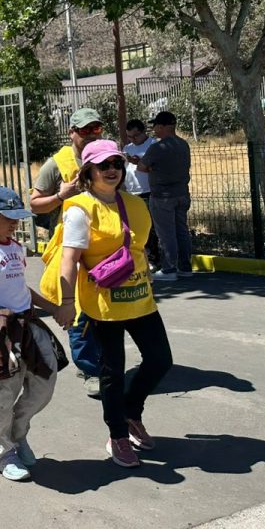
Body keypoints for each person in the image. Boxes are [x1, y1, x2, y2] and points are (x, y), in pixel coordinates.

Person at [54, 140, 173, 468]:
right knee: (112, 371)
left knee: (160, 360)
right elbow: (69, 259)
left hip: (140, 298)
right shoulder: (80, 209)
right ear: (88, 172)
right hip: (103, 303)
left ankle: (131, 413)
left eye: (117, 164)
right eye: (103, 165)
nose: (112, 170)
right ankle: (117, 434)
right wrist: (67, 302)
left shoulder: (135, 204)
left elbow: (139, 248)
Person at [0, 187, 68, 482]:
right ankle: (2, 453)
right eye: (8, 218)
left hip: (28, 325)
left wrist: (53, 308)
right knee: (3, 394)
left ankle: (17, 433)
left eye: (17, 217)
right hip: (0, 332)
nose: (15, 223)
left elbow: (21, 288)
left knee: (44, 383)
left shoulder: (14, 246)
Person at [31, 107, 107, 399]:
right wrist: (61, 195)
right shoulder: (56, 164)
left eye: (96, 129)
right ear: (71, 132)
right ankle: (89, 369)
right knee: (78, 311)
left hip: (102, 246)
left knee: (102, 308)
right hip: (70, 248)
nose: (91, 135)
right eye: (85, 130)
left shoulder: (105, 157)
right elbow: (35, 204)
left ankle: (100, 360)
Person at [138, 111, 193, 282]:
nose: (154, 130)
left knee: (166, 233)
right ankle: (185, 266)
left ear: (162, 127)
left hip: (162, 196)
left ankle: (169, 268)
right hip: (182, 193)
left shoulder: (157, 147)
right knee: (182, 231)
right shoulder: (183, 144)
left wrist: (150, 168)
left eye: (155, 126)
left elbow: (141, 167)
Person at [122, 119, 159, 270]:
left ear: (144, 132)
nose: (133, 139)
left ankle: (153, 258)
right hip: (131, 193)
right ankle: (139, 257)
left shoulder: (153, 145)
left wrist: (139, 162)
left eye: (135, 136)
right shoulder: (127, 148)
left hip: (148, 191)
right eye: (129, 136)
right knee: (134, 228)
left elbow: (157, 169)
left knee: (149, 228)